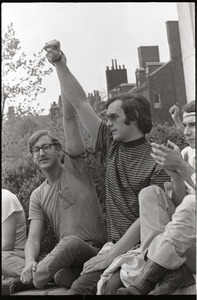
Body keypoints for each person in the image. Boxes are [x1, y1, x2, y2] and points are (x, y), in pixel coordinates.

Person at [43, 39, 170, 295]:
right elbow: (80, 102)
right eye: (107, 117)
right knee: (81, 288)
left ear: (133, 118)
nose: (108, 122)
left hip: (142, 248)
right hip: (113, 246)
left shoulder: (157, 160)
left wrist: (113, 254)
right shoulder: (111, 143)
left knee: (107, 288)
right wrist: (59, 64)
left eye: (114, 117)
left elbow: (147, 223)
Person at [20, 73, 107, 290]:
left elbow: (70, 117)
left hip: (94, 249)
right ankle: (60, 275)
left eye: (47, 147)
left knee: (68, 243)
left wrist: (60, 67)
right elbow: (33, 239)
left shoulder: (75, 168)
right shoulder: (38, 195)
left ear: (59, 151)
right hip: (70, 259)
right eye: (36, 150)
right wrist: (30, 260)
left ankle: (39, 276)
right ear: (32, 157)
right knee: (60, 276)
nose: (41, 153)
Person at [117, 100, 196, 295]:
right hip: (184, 242)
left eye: (193, 125)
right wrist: (175, 174)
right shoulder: (187, 153)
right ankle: (169, 273)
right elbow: (179, 204)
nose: (186, 132)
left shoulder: (184, 159)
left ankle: (148, 278)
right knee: (150, 193)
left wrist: (182, 168)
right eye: (184, 125)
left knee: (193, 201)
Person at [2, 189, 28, 294]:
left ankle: (49, 272)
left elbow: (7, 245)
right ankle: (17, 281)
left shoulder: (5, 199)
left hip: (14, 256)